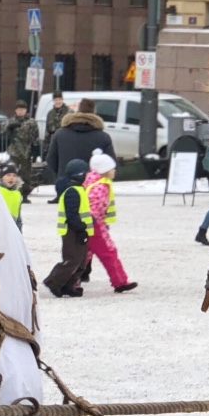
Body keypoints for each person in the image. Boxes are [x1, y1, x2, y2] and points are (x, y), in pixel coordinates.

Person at [83, 151, 137, 293]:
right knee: (109, 252)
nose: (115, 171)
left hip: (92, 225)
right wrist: (97, 224)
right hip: (95, 226)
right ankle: (120, 281)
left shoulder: (94, 182)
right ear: (105, 170)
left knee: (82, 256)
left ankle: (67, 281)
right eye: (112, 168)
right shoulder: (100, 187)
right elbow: (94, 209)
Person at [43, 159, 94, 297]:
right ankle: (54, 282)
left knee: (81, 262)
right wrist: (81, 229)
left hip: (80, 230)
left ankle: (69, 284)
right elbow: (72, 214)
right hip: (72, 231)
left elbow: (82, 211)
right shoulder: (72, 192)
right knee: (72, 259)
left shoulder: (79, 190)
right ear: (80, 174)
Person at [45, 97, 114, 182]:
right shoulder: (103, 137)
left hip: (66, 184)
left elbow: (51, 160)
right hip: (94, 188)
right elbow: (110, 165)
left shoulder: (60, 134)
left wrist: (62, 175)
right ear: (94, 112)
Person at [2, 102, 42, 199]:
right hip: (14, 151)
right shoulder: (11, 121)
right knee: (12, 173)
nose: (20, 112)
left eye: (22, 110)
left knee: (25, 174)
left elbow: (35, 137)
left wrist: (35, 151)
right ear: (16, 110)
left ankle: (24, 194)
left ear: (26, 111)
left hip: (26, 151)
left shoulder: (31, 122)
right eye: (18, 110)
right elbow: (3, 134)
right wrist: (9, 128)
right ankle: (12, 191)